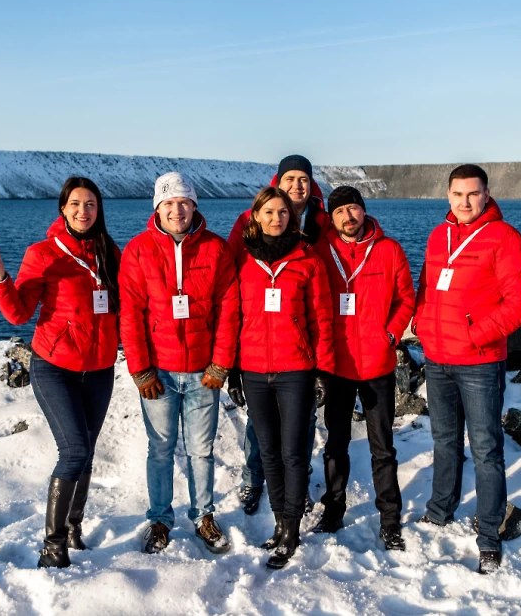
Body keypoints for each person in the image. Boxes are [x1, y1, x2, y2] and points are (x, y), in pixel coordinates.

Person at [0, 176, 121, 569]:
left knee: (86, 451)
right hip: (55, 366)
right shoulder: (43, 253)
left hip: (99, 368)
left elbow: (125, 303)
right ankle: (53, 547)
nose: (83, 211)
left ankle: (74, 529)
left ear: (98, 209)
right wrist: (0, 278)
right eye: (75, 204)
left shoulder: (109, 251)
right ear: (63, 208)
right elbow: (18, 313)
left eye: (90, 204)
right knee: (74, 450)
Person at [413, 164, 521, 574]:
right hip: (437, 359)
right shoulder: (438, 235)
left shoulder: (505, 238)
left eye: (473, 194)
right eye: (457, 194)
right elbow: (426, 289)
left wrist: (475, 335)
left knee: (486, 450)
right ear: (447, 195)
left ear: (486, 194)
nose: (464, 202)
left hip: (479, 363)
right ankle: (440, 510)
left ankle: (488, 536)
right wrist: (423, 327)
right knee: (445, 441)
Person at [119, 172, 240, 555]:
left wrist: (220, 364)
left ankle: (203, 516)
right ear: (157, 208)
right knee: (160, 448)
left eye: (184, 202)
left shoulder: (216, 249)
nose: (177, 210)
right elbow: (130, 314)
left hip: (204, 373)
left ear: (194, 206)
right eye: (169, 203)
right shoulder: (138, 250)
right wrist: (140, 370)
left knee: (201, 451)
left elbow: (229, 310)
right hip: (159, 372)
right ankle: (159, 519)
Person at [310, 186, 415, 550]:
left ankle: (390, 519)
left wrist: (390, 335)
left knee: (382, 447)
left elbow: (406, 299)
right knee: (336, 444)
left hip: (377, 363)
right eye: (340, 211)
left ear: (363, 211)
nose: (348, 217)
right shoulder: (320, 251)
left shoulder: (389, 250)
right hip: (337, 366)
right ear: (331, 217)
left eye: (353, 209)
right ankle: (333, 510)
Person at [234, 186, 334, 569]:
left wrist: (322, 371)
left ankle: (291, 528)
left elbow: (321, 320)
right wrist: (232, 370)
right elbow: (233, 317)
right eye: (269, 212)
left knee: (293, 453)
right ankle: (279, 522)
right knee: (268, 452)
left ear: (292, 217)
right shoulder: (243, 261)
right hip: (254, 369)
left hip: (295, 369)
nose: (276, 218)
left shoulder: (307, 261)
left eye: (283, 212)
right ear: (256, 217)